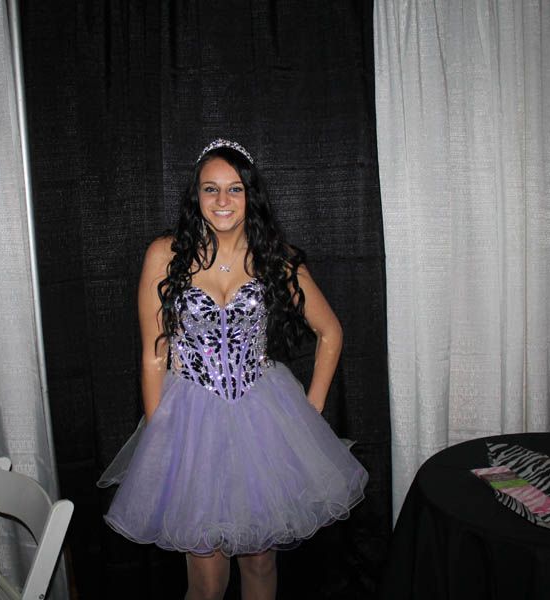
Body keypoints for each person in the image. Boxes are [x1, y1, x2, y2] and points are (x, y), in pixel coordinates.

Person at [98, 139, 368, 600]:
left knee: (260, 561)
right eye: (210, 189)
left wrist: (312, 410)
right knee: (205, 576)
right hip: (190, 422)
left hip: (261, 418)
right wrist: (161, 440)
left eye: (235, 189)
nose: (222, 201)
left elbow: (331, 332)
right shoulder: (166, 255)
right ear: (196, 196)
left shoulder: (275, 258)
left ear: (250, 195)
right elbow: (153, 354)